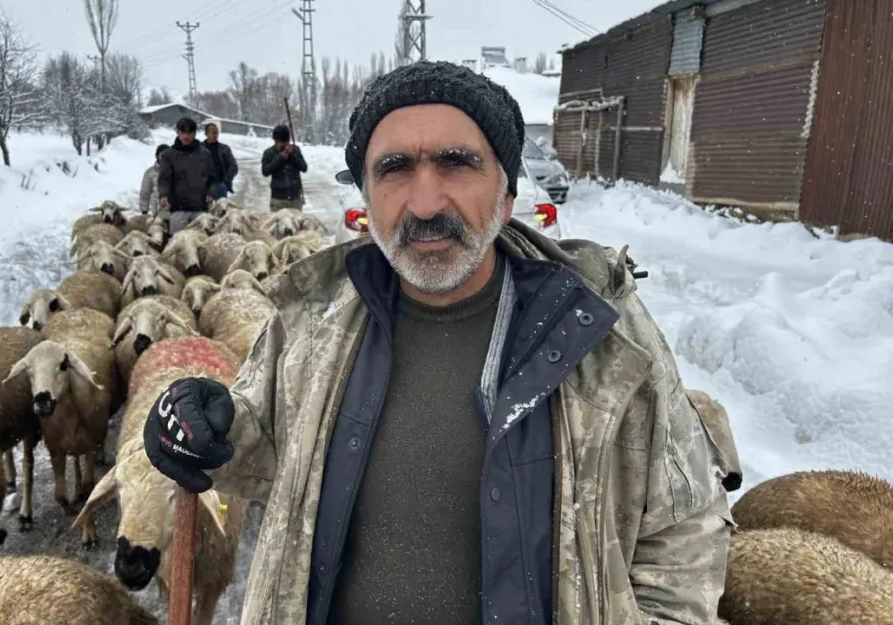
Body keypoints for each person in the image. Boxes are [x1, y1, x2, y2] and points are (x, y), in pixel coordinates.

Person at [143, 61, 738, 625]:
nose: (425, 203)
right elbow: (268, 444)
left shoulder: (601, 340)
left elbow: (683, 530)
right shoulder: (312, 319)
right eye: (395, 168)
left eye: (457, 163)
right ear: (368, 201)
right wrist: (209, 427)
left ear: (506, 197)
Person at [158, 117, 216, 233]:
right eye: (183, 132)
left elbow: (211, 177)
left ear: (194, 134)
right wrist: (164, 194)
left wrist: (210, 192)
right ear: (177, 132)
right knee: (178, 243)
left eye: (189, 133)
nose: (186, 136)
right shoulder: (168, 155)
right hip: (178, 209)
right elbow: (165, 177)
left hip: (200, 208)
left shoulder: (205, 154)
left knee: (202, 244)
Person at [261, 124, 307, 211]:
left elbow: (304, 168)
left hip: (295, 199)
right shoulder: (268, 153)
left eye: (283, 142)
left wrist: (293, 155)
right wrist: (281, 158)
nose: (280, 145)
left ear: (288, 141)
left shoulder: (296, 150)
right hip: (277, 199)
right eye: (277, 142)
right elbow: (265, 171)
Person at [203, 120, 238, 200]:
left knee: (220, 210)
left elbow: (234, 166)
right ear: (206, 133)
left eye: (217, 133)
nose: (215, 135)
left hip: (220, 186)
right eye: (213, 133)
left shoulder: (224, 149)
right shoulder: (199, 149)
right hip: (204, 188)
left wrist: (226, 180)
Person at [138, 143, 170, 217]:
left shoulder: (177, 170)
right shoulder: (150, 172)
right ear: (157, 156)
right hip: (158, 212)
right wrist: (144, 211)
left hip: (175, 212)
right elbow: (145, 193)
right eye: (162, 154)